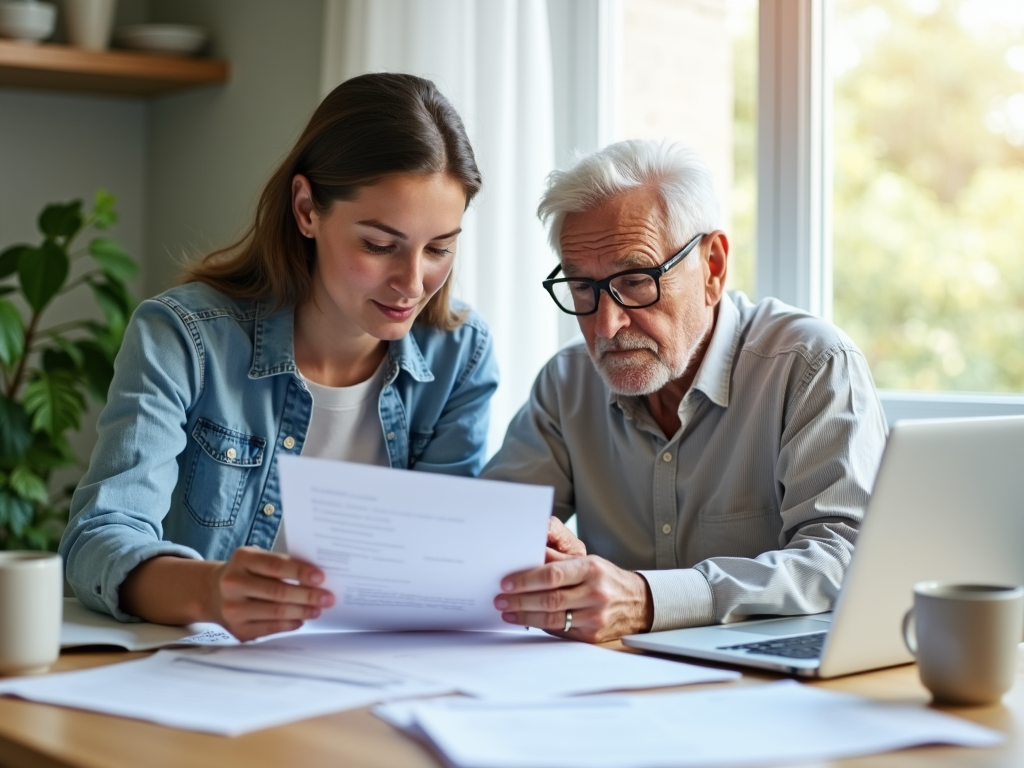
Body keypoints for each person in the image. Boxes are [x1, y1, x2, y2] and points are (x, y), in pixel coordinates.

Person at [60, 73, 498, 641]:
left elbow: (441, 559)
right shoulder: (185, 337)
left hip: (373, 681)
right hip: (201, 679)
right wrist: (210, 591)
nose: (413, 284)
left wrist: (508, 556)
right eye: (379, 244)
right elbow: (100, 537)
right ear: (306, 208)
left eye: (439, 248)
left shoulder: (461, 354)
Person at [485, 139, 887, 643]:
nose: (606, 326)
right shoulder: (567, 382)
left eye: (635, 280)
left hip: (770, 688)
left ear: (713, 267)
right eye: (583, 288)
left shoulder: (811, 365)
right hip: (614, 679)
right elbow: (487, 529)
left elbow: (844, 557)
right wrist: (537, 549)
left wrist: (647, 599)